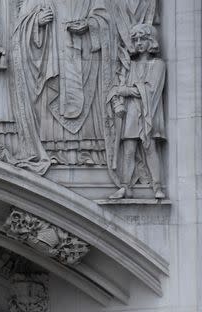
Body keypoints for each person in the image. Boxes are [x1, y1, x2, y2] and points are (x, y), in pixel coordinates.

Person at [10, 0, 119, 173]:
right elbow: (19, 30)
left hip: (84, 57)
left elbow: (105, 19)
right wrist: (36, 22)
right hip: (52, 62)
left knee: (86, 109)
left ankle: (88, 152)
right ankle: (54, 151)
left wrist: (90, 24)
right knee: (52, 107)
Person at [107, 24, 165, 199]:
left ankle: (157, 186)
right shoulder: (130, 65)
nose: (139, 43)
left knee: (149, 147)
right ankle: (125, 186)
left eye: (142, 39)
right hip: (132, 111)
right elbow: (120, 86)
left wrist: (127, 90)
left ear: (151, 41)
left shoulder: (158, 64)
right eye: (136, 40)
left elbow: (152, 88)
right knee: (129, 149)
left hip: (149, 111)